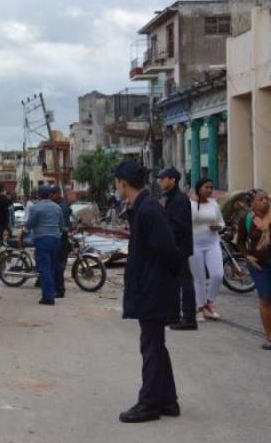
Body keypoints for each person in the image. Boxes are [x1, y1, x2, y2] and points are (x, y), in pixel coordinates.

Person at [113, 160, 180, 423]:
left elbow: (168, 251)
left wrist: (157, 282)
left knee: (150, 347)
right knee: (156, 346)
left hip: (153, 288)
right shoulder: (140, 208)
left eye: (116, 182)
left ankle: (149, 403)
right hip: (150, 286)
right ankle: (168, 400)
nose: (116, 187)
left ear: (123, 183)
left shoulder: (149, 209)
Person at [156, 167, 196, 331]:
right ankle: (173, 315)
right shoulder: (169, 198)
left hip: (179, 248)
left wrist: (163, 235)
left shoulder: (179, 199)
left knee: (184, 283)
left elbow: (180, 227)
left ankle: (189, 318)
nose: (160, 181)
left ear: (172, 180)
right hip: (172, 248)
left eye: (163, 178)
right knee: (171, 283)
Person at [237, 189, 271, 350]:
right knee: (265, 299)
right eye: (261, 199)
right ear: (252, 204)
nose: (265, 201)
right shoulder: (246, 219)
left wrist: (267, 228)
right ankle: (269, 337)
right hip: (259, 265)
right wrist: (247, 256)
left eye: (267, 199)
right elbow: (241, 242)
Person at [189, 178, 225, 321]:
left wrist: (219, 227)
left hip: (212, 243)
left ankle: (209, 303)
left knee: (218, 274)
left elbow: (222, 222)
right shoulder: (190, 205)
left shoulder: (214, 204)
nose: (209, 190)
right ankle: (200, 308)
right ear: (199, 188)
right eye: (206, 187)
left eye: (211, 187)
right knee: (200, 278)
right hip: (194, 244)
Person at [23, 184, 63, 305]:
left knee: (44, 268)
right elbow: (61, 225)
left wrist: (22, 235)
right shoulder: (57, 208)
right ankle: (51, 292)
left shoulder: (36, 208)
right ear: (50, 194)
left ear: (39, 195)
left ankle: (48, 297)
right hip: (56, 240)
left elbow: (28, 225)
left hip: (42, 240)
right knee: (51, 267)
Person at [49, 186, 72, 298]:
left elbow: (61, 225)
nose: (51, 197)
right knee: (57, 264)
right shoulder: (61, 204)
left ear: (57, 194)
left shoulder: (61, 206)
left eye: (52, 195)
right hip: (61, 237)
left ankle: (59, 289)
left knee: (58, 265)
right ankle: (57, 287)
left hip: (61, 237)